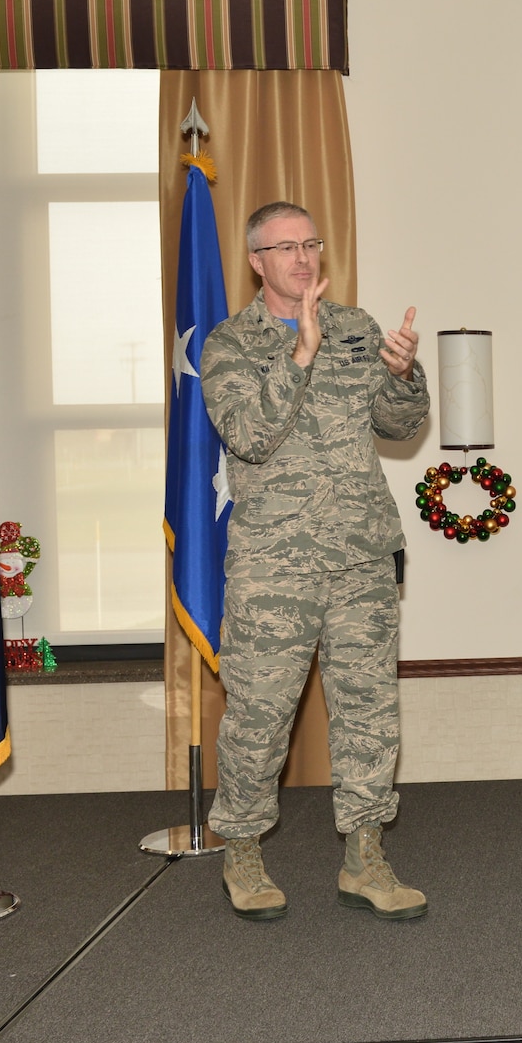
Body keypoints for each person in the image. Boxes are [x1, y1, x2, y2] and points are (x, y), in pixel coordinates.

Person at [202, 201, 432, 921]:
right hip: (277, 565)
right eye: (286, 247)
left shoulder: (355, 328)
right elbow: (251, 435)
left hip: (361, 554)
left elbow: (399, 427)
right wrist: (299, 354)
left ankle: (365, 856)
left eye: (312, 243)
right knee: (262, 713)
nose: (303, 259)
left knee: (369, 712)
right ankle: (241, 848)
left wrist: (404, 375)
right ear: (257, 262)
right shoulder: (228, 345)